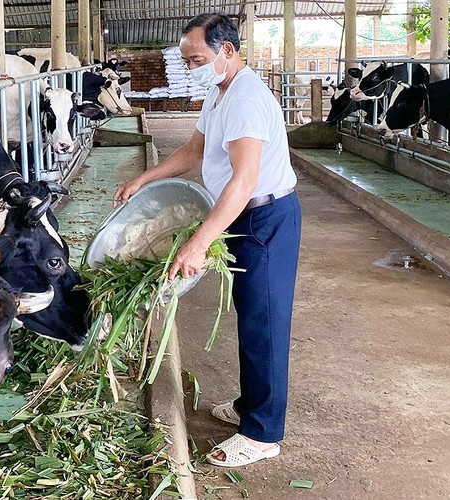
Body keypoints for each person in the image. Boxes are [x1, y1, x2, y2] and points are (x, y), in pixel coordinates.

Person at [113, 13, 301, 467]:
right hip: (242, 216)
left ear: (228, 51)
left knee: (265, 320)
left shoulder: (246, 100)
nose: (192, 66)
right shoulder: (220, 93)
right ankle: (249, 405)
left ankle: (262, 433)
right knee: (251, 314)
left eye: (197, 58)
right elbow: (194, 151)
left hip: (264, 217)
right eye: (187, 60)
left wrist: (198, 242)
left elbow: (244, 179)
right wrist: (146, 178)